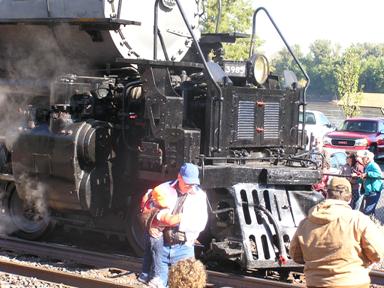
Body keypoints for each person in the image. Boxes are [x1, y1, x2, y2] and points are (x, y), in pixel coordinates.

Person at [290, 177, 384, 288]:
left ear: (326, 195)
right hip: (353, 283)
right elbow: (377, 253)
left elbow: (295, 255)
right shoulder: (358, 220)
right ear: (349, 198)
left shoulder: (305, 223)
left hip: (316, 283)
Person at [156, 163, 208, 287]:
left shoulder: (200, 196)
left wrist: (175, 220)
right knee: (158, 284)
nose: (190, 187)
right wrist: (157, 219)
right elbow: (149, 209)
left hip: (183, 247)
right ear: (179, 177)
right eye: (187, 183)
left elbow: (200, 223)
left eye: (193, 184)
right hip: (162, 245)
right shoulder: (163, 188)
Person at [138, 185, 181, 287]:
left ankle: (144, 275)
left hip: (148, 234)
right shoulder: (160, 212)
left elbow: (145, 200)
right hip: (157, 237)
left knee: (148, 254)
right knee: (159, 258)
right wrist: (182, 216)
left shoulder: (149, 202)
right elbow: (170, 221)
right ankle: (157, 278)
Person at [352, 150, 383, 215]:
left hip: (373, 191)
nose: (362, 159)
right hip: (368, 191)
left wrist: (367, 174)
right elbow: (365, 178)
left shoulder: (373, 165)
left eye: (363, 158)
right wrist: (359, 177)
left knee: (367, 211)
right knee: (369, 211)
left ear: (368, 159)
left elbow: (379, 174)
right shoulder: (367, 166)